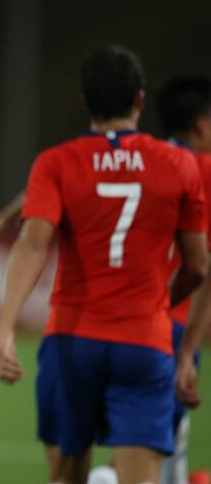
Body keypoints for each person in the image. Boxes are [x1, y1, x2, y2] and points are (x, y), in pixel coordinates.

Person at [0, 44, 211, 484]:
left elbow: (32, 246)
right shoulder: (180, 165)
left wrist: (6, 328)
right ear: (139, 101)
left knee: (66, 475)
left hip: (73, 341)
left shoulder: (56, 163)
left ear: (83, 103)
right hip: (144, 342)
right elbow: (198, 267)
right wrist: (158, 306)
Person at [89, 77, 211, 484]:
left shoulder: (143, 160)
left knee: (159, 442)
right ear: (201, 124)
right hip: (172, 326)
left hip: (120, 324)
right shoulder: (202, 170)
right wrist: (189, 351)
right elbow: (202, 269)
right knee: (143, 461)